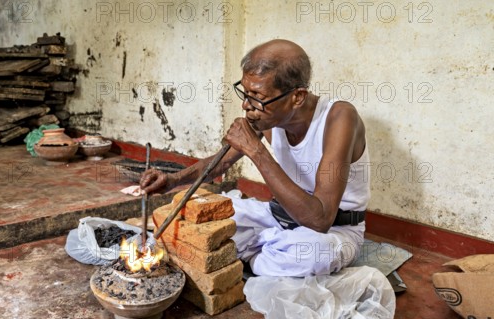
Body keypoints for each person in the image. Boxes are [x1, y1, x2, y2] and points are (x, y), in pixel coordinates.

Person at [140, 39, 370, 277]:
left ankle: (249, 253)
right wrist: (174, 179)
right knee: (193, 222)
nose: (246, 105)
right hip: (277, 215)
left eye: (257, 95)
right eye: (246, 92)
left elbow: (319, 219)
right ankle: (264, 250)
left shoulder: (339, 119)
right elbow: (223, 160)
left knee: (314, 255)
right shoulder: (267, 114)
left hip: (334, 231)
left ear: (297, 97)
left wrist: (255, 150)